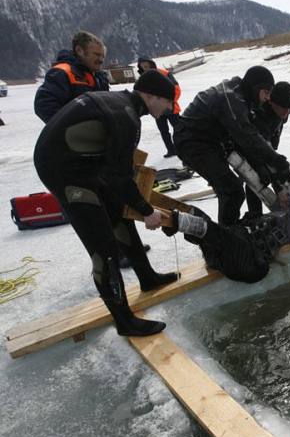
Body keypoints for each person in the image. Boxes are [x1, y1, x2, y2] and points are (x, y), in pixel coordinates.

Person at [33, 70, 180, 336]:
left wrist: (138, 206)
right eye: (168, 101)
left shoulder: (124, 106)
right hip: (63, 171)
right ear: (150, 95)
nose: (170, 107)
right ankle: (124, 321)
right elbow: (120, 179)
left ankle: (147, 278)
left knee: (119, 215)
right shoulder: (125, 117)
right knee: (104, 247)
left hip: (81, 163)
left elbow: (117, 174)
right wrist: (147, 211)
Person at [174, 66, 290, 226]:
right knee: (231, 189)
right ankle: (229, 237)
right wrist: (277, 160)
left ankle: (235, 229)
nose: (267, 98)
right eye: (265, 92)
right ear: (256, 87)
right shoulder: (231, 98)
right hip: (192, 140)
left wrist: (266, 167)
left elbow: (250, 141)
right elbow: (247, 136)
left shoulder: (243, 97)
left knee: (242, 182)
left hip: (214, 141)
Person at [241, 81, 290, 219]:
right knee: (256, 176)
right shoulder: (261, 117)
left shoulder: (283, 112)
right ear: (272, 103)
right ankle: (255, 214)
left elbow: (273, 147)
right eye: (283, 108)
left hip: (265, 143)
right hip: (245, 146)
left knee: (274, 168)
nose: (286, 112)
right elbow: (261, 154)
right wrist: (279, 190)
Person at [34, 31, 110, 124]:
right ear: (79, 50)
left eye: (103, 56)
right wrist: (70, 127)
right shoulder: (62, 72)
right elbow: (44, 104)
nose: (101, 60)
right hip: (76, 136)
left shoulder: (100, 77)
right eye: (97, 54)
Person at [137, 56, 182, 158]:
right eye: (143, 67)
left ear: (151, 64)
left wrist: (170, 102)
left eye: (147, 66)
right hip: (157, 111)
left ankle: (181, 148)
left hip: (172, 109)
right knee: (163, 131)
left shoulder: (164, 73)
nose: (145, 68)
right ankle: (171, 150)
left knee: (179, 129)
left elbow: (177, 89)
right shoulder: (143, 79)